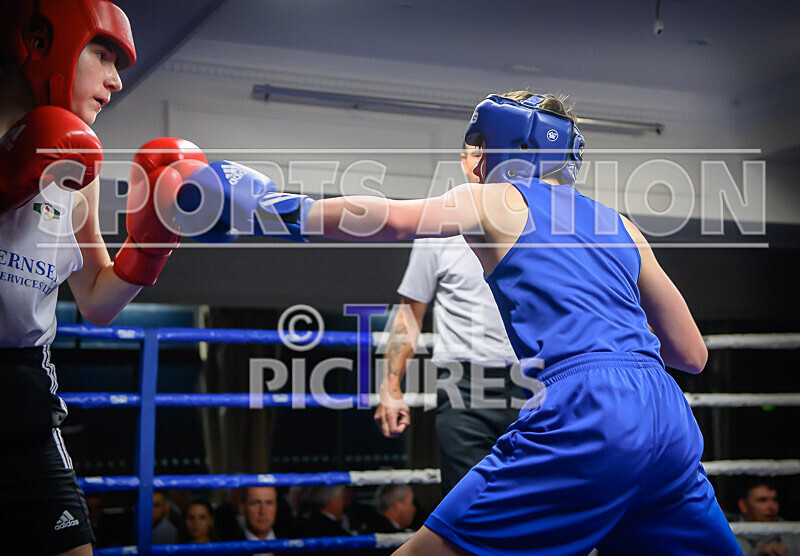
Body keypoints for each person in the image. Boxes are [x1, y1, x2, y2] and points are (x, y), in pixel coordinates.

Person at [182, 89, 742, 554]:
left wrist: (268, 205)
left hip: (584, 407)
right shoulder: (622, 224)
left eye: (474, 148)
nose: (467, 162)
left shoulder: (497, 199)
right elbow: (692, 355)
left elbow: (392, 219)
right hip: (668, 417)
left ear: (502, 147)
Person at [0, 1, 205, 554]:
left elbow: (95, 300)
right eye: (103, 54)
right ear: (42, 40)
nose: (116, 80)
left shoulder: (81, 172)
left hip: (25, 405)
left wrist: (152, 243)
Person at [373, 141, 520, 495]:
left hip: (534, 383)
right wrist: (390, 385)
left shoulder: (537, 225)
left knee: (532, 505)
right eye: (474, 153)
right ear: (463, 160)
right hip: (462, 387)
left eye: (490, 153)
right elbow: (409, 313)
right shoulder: (438, 229)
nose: (481, 162)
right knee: (467, 505)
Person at [735, 481, 800, 556]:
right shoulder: (730, 535)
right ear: (743, 506)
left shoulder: (793, 533)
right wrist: (757, 552)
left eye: (774, 500)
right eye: (762, 500)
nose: (772, 507)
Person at [238, 486, 278, 556]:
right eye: (255, 503)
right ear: (242, 509)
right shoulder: (225, 550)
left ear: (276, 507)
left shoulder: (296, 547)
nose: (262, 511)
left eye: (269, 503)